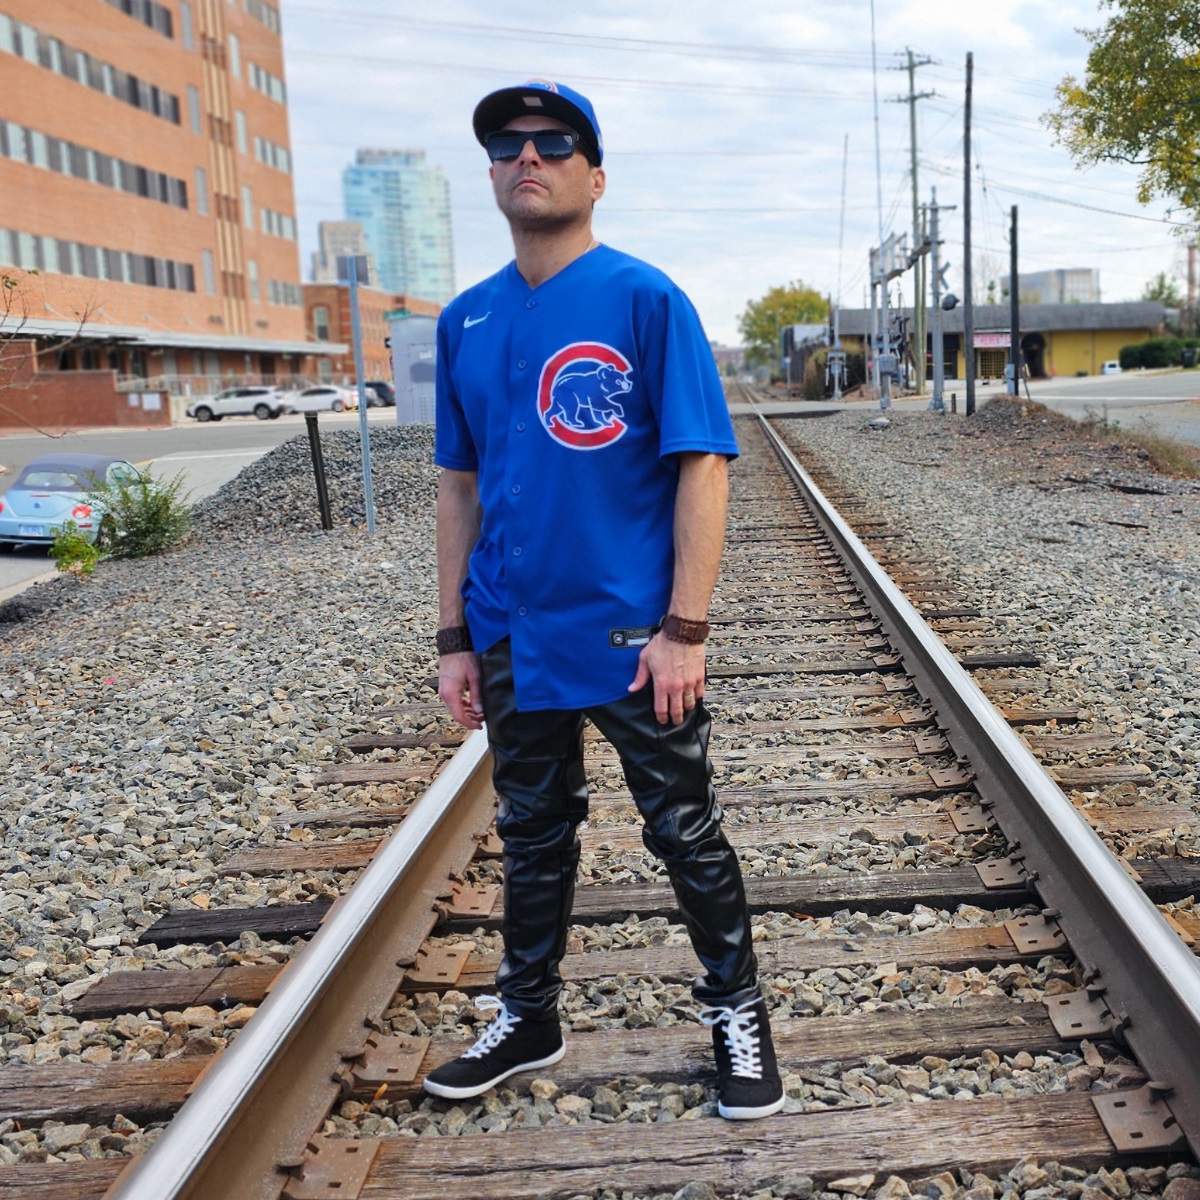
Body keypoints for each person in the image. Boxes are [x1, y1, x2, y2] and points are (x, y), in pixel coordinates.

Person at [423, 79, 784, 1121]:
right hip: (511, 627)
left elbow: (703, 467)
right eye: (506, 145)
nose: (526, 157)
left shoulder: (644, 298)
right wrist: (453, 635)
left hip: (632, 632)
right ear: (491, 173)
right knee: (533, 829)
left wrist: (685, 629)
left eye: (552, 142)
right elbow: (459, 486)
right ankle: (527, 1014)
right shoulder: (468, 319)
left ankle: (737, 1011)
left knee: (684, 826)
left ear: (594, 174)